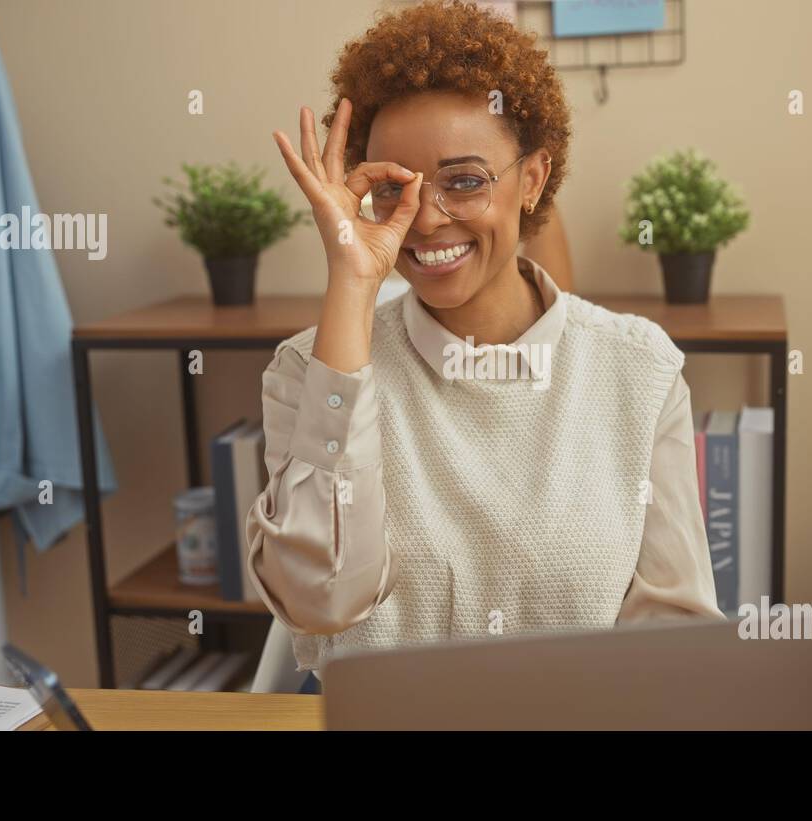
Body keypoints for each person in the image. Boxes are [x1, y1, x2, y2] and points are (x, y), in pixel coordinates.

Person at [245, 0, 721, 678]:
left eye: (464, 181)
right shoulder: (307, 371)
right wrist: (351, 282)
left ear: (530, 180)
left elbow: (675, 649)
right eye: (392, 190)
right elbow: (322, 599)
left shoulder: (637, 372)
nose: (427, 219)